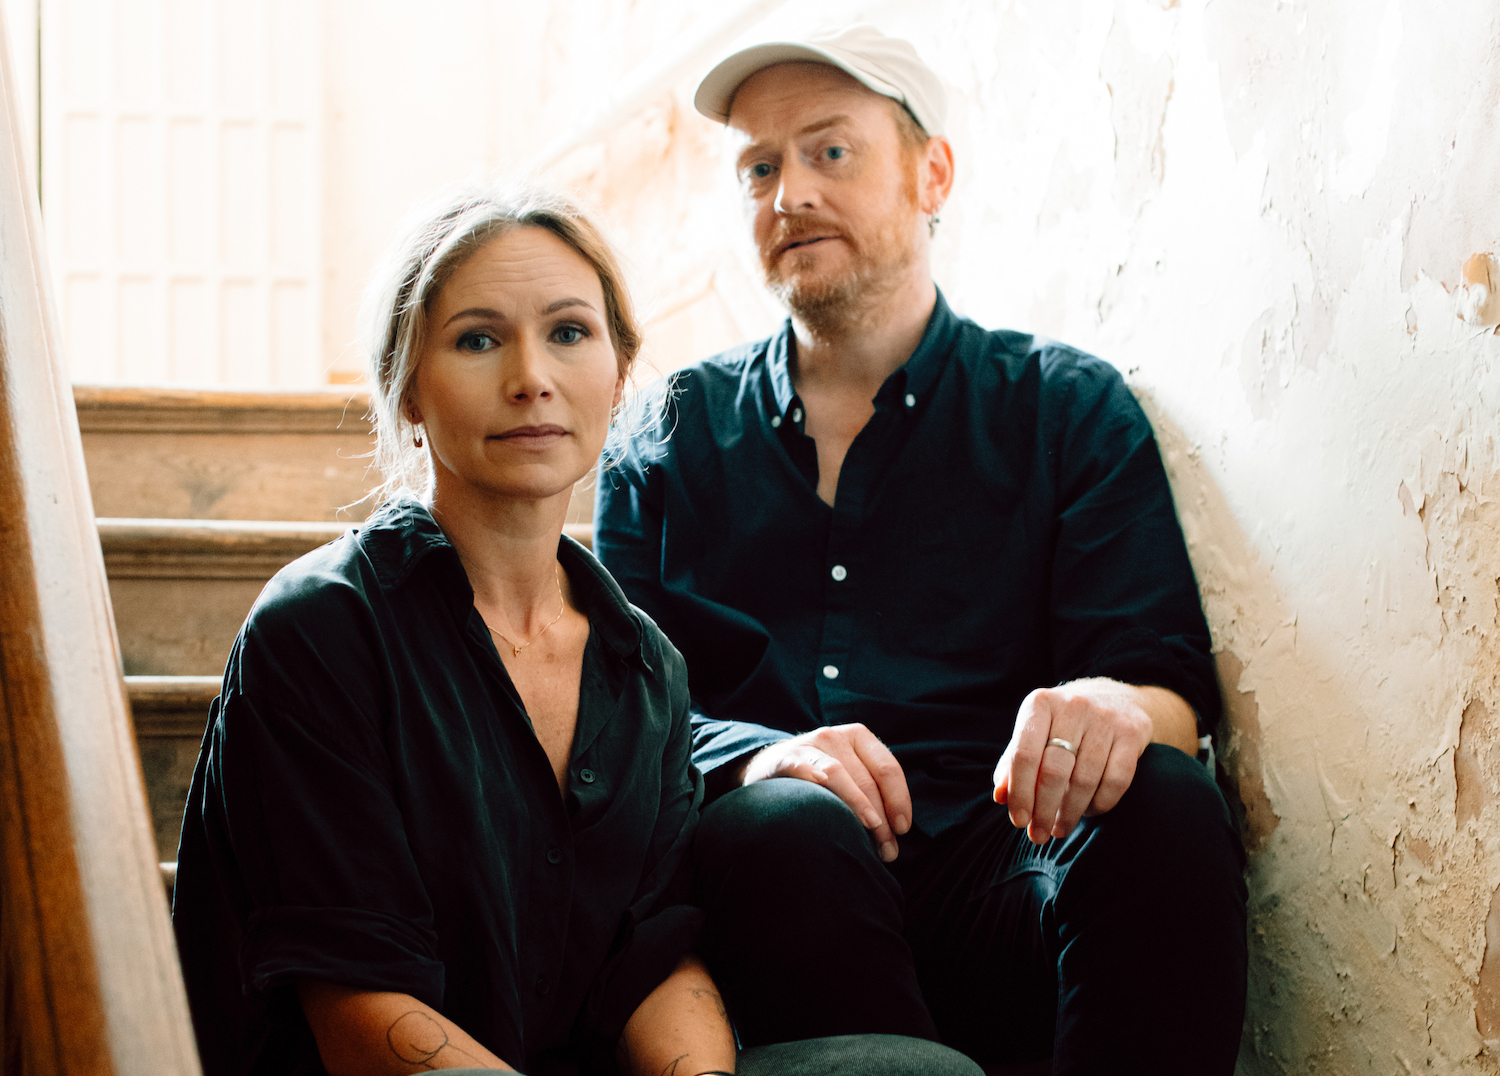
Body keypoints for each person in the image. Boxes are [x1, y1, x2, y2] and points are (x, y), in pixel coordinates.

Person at [594, 25, 1249, 1075]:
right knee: (776, 823)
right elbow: (619, 714)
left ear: (931, 172)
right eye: (759, 168)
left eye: (830, 151)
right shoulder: (662, 435)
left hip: (1011, 870)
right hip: (779, 900)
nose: (789, 194)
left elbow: (1166, 684)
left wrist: (1107, 706)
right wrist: (758, 757)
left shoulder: (1064, 406)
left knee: (1166, 798)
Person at [171, 185, 735, 1076]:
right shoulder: (320, 629)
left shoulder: (646, 666)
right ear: (407, 390)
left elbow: (654, 960)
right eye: (477, 339)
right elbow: (357, 1012)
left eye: (569, 332)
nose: (531, 377)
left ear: (619, 373)